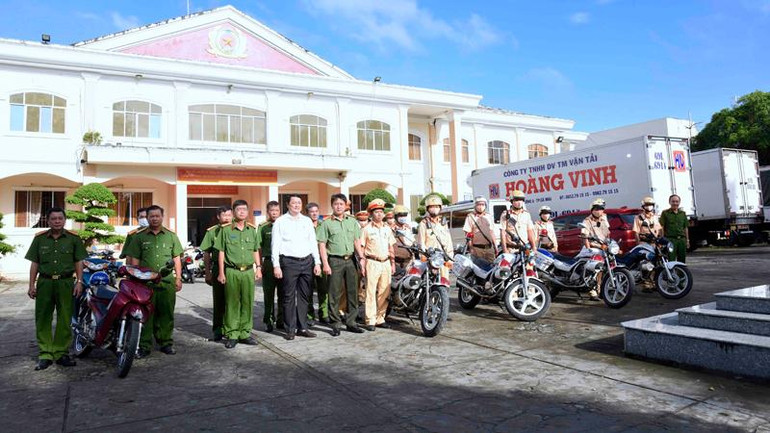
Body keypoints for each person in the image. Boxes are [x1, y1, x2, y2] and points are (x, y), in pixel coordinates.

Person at [25, 207, 87, 370]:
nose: (57, 221)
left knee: (65, 317)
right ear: (48, 220)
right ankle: (45, 353)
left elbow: (78, 261)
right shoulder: (39, 239)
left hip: (65, 282)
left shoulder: (73, 238)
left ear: (65, 220)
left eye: (60, 218)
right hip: (45, 283)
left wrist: (79, 281)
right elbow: (35, 263)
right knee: (43, 317)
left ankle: (61, 353)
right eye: (54, 219)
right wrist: (32, 284)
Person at [124, 205, 183, 357]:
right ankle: (144, 345)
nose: (154, 218)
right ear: (147, 218)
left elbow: (177, 258)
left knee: (166, 313)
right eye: (151, 216)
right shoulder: (139, 237)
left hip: (166, 281)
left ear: (162, 217)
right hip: (146, 283)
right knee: (145, 315)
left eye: (157, 216)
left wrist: (178, 278)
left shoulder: (171, 236)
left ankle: (166, 343)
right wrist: (135, 279)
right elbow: (134, 260)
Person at [272, 195, 321, 340]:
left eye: (299, 203)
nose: (297, 205)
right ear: (287, 204)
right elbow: (275, 245)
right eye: (294, 203)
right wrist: (276, 265)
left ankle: (303, 327)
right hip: (288, 262)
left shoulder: (306, 221)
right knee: (288, 297)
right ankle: (290, 329)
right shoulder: (280, 222)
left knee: (305, 296)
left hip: (306, 262)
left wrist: (317, 262)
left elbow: (313, 243)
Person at [317, 194, 366, 336]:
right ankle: (336, 323)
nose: (338, 206)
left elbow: (356, 241)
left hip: (350, 260)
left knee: (353, 292)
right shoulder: (326, 223)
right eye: (336, 204)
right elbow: (322, 244)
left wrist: (361, 258)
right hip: (334, 260)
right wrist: (325, 263)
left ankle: (351, 322)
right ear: (332, 205)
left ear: (345, 206)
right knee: (334, 293)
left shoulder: (352, 222)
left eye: (341, 204)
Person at [215, 200, 260, 349]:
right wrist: (221, 272)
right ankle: (232, 334)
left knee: (247, 302)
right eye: (238, 209)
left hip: (248, 271)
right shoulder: (226, 230)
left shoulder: (252, 230)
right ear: (234, 212)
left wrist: (258, 267)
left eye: (244, 209)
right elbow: (221, 252)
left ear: (247, 212)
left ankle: (245, 333)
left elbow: (255, 250)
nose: (242, 212)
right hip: (232, 271)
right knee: (232, 303)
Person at [359, 199, 396, 331]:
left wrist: (392, 263)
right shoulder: (366, 229)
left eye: (381, 212)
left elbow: (390, 246)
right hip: (372, 262)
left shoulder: (387, 229)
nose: (379, 214)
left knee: (384, 291)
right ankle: (370, 320)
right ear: (371, 214)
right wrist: (362, 265)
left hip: (385, 262)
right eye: (376, 212)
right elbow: (362, 248)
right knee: (370, 291)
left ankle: (380, 318)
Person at [199, 205, 232, 342]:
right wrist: (207, 273)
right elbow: (207, 253)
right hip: (218, 269)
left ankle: (232, 329)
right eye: (224, 215)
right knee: (219, 301)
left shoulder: (237, 230)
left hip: (233, 269)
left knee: (233, 301)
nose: (227, 218)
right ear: (218, 217)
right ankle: (218, 330)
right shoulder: (212, 232)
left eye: (229, 215)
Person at [257, 201, 283, 333]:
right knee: (269, 294)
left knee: (284, 294)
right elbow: (258, 247)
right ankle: (268, 320)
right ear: (268, 212)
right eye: (272, 210)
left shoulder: (285, 225)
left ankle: (281, 320)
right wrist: (259, 265)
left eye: (277, 211)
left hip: (284, 263)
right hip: (268, 263)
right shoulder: (263, 227)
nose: (274, 213)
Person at [581, 198, 610, 301]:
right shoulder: (587, 221)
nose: (599, 211)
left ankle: (602, 288)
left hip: (603, 248)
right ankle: (592, 290)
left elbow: (607, 234)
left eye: (601, 209)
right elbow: (584, 236)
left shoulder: (604, 219)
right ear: (592, 210)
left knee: (604, 268)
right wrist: (589, 248)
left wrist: (609, 244)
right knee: (593, 269)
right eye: (596, 209)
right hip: (592, 248)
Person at [306, 202, 329, 324]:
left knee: (323, 288)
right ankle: (309, 314)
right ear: (308, 213)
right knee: (308, 288)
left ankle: (323, 313)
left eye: (316, 211)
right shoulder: (304, 225)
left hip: (322, 259)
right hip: (308, 260)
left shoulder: (324, 224)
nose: (314, 213)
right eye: (311, 212)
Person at [417, 194, 453, 260]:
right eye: (431, 207)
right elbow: (421, 243)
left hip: (443, 258)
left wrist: (450, 257)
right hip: (430, 258)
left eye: (437, 207)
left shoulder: (443, 223)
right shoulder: (423, 223)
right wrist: (424, 256)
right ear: (427, 209)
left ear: (440, 208)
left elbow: (449, 242)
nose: (434, 209)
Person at [462, 196, 497, 262]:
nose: (480, 207)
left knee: (492, 268)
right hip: (477, 249)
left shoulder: (488, 216)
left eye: (482, 205)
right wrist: (471, 248)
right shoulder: (470, 217)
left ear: (485, 206)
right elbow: (468, 234)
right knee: (478, 269)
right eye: (478, 205)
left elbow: (491, 232)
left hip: (489, 248)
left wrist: (495, 246)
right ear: (475, 205)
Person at [660, 194, 689, 262]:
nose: (675, 203)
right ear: (669, 202)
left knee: (682, 260)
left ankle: (681, 272)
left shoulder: (682, 213)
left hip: (681, 240)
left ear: (679, 202)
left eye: (677, 201)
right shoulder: (665, 213)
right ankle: (671, 272)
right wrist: (662, 240)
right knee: (671, 259)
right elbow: (662, 227)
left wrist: (687, 240)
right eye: (673, 201)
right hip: (671, 240)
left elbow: (685, 228)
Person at [392, 205, 414, 271]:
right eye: (401, 215)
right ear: (396, 217)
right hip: (396, 262)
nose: (403, 217)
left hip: (408, 262)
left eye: (405, 215)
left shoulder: (408, 228)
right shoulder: (390, 229)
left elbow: (411, 242)